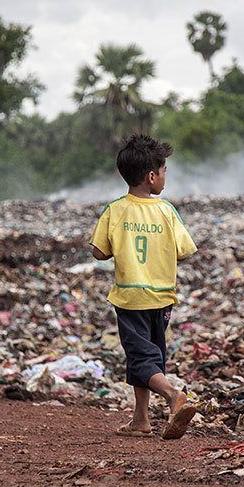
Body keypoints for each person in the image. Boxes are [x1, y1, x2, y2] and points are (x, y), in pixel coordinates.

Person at [89, 133, 198, 439]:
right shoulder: (166, 211)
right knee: (151, 356)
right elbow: (185, 250)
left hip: (130, 296)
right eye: (164, 172)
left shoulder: (115, 209)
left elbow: (98, 252)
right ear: (151, 177)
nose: (165, 178)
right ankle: (140, 420)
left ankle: (174, 395)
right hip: (162, 296)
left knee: (140, 357)